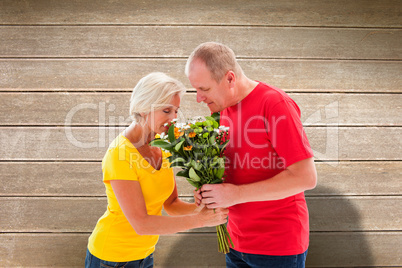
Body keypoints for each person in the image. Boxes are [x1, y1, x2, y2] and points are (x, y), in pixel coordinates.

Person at [186, 42, 317, 268]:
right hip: (235, 243)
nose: (199, 98)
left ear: (229, 79)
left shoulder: (275, 104)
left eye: (204, 89)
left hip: (277, 248)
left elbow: (306, 177)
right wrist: (209, 192)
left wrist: (235, 195)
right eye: (196, 89)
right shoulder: (222, 108)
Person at [85, 72, 228, 268]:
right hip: (111, 259)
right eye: (167, 110)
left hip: (145, 256)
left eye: (176, 111)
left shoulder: (163, 146)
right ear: (144, 109)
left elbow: (171, 204)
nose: (174, 118)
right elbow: (141, 224)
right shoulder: (120, 154)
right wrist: (199, 221)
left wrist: (203, 208)